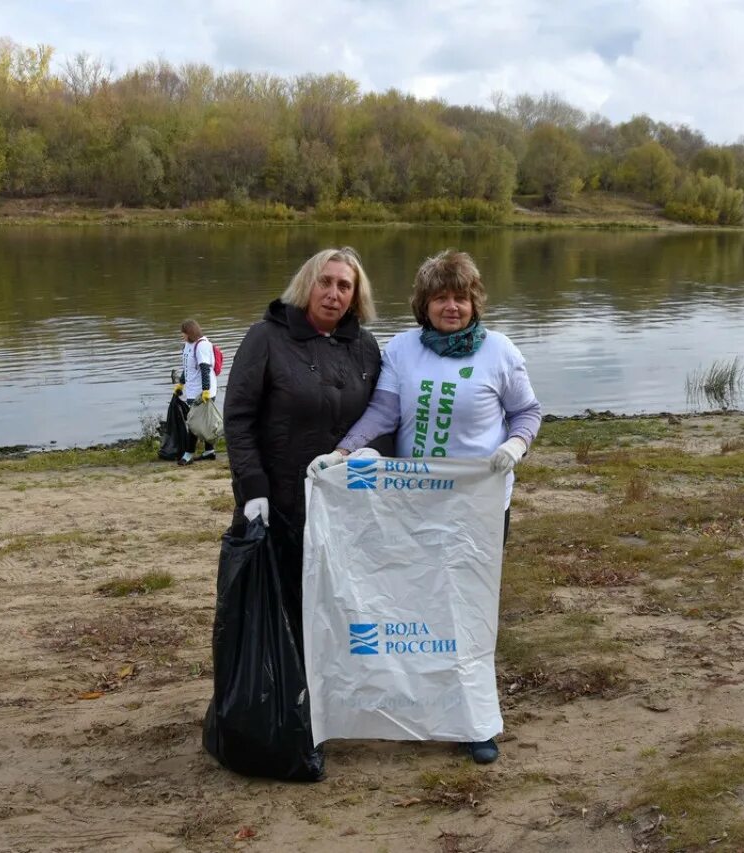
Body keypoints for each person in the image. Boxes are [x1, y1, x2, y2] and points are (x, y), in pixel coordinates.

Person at [311, 248, 542, 765]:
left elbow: (527, 411)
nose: (452, 307)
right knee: (419, 606)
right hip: (414, 506)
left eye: (461, 297)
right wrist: (344, 451)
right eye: (441, 297)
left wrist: (515, 446)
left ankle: (473, 721)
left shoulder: (501, 352)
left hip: (478, 508)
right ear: (424, 304)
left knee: (468, 613)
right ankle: (414, 706)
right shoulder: (402, 350)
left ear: (474, 300)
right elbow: (384, 411)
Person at [223, 246, 383, 542]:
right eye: (324, 282)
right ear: (306, 284)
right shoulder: (265, 337)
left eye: (344, 286)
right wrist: (252, 488)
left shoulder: (366, 346)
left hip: (346, 498)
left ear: (354, 296)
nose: (333, 294)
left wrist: (368, 463)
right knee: (276, 586)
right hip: (278, 500)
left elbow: (378, 415)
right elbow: (238, 419)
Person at [174, 319, 218, 466]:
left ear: (190, 332)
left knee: (193, 423)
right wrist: (181, 383)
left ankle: (188, 454)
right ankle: (209, 452)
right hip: (192, 390)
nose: (182, 335)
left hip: (203, 392)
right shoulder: (187, 346)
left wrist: (205, 391)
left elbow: (205, 369)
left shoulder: (202, 346)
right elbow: (188, 368)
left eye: (184, 333)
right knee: (202, 422)